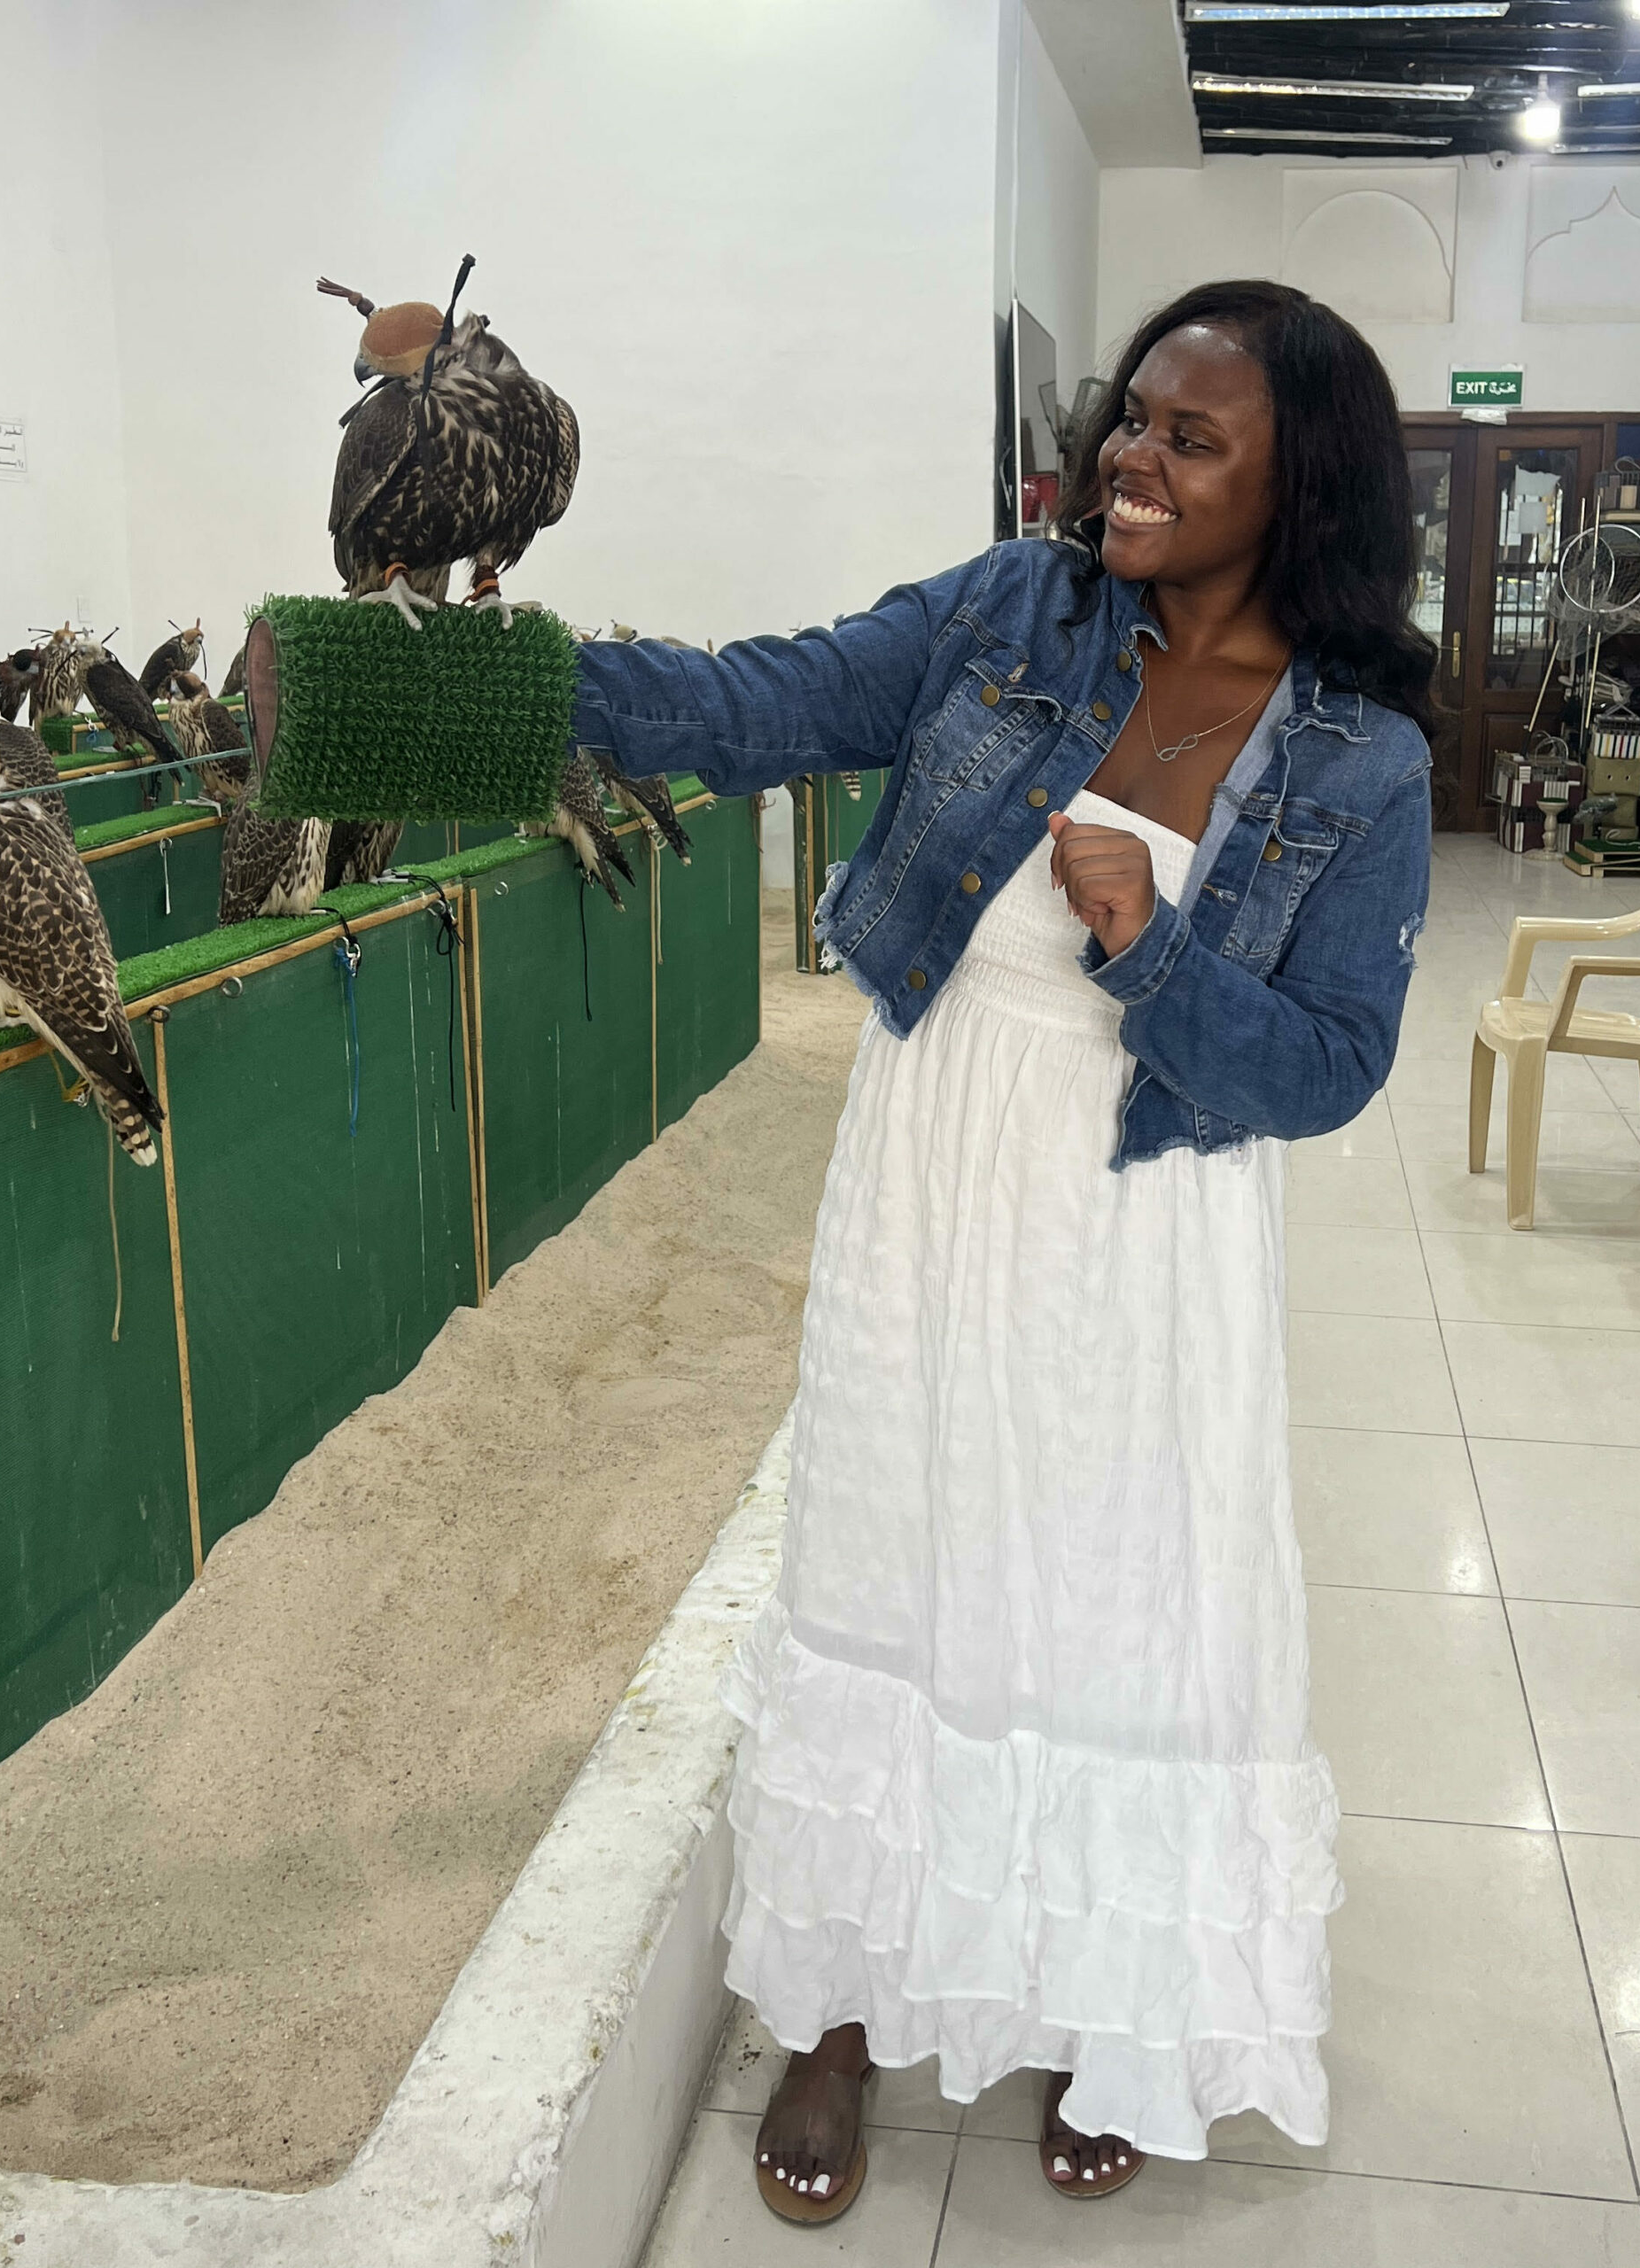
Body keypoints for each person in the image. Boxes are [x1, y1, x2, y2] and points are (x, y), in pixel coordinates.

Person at [569, 279, 1434, 2222]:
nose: (1129, 455)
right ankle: (849, 2009)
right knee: (906, 1548)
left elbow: (1327, 1069)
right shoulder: (1007, 612)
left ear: (1297, 485)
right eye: (1128, 416)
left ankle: (1105, 2005)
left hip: (1147, 1228)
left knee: (1114, 1597)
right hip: (934, 1167)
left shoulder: (1359, 753)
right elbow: (755, 699)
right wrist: (505, 683)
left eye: (1184, 436)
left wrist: (1151, 940)